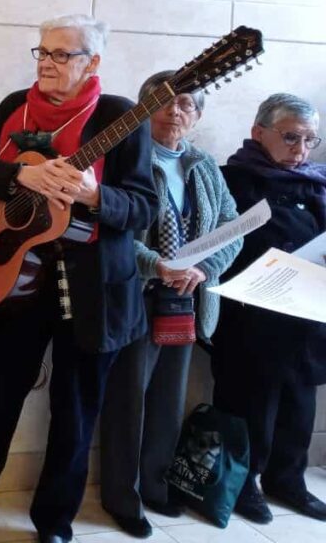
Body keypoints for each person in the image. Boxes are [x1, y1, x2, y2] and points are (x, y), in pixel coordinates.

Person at [0, 15, 157, 543]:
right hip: (14, 280)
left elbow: (143, 208)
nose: (47, 62)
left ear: (92, 62)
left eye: (61, 54)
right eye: (42, 52)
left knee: (74, 412)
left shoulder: (119, 117)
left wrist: (95, 195)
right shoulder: (14, 107)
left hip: (91, 290)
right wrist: (20, 175)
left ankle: (54, 522)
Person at [99, 71, 240, 538]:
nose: (173, 111)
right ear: (141, 109)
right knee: (128, 401)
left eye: (185, 103)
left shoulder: (204, 167)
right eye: (160, 101)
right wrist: (157, 265)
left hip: (186, 300)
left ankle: (157, 487)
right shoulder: (125, 160)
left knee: (168, 400)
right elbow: (115, 234)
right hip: (137, 297)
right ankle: (123, 496)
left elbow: (231, 227)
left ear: (197, 115)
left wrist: (203, 269)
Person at [212, 93, 326, 525]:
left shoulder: (318, 181)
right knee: (251, 404)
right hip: (251, 315)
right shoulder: (232, 179)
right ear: (259, 133)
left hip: (308, 314)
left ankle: (288, 481)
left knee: (300, 403)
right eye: (291, 138)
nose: (300, 151)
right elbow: (216, 242)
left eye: (309, 140)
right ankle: (244, 484)